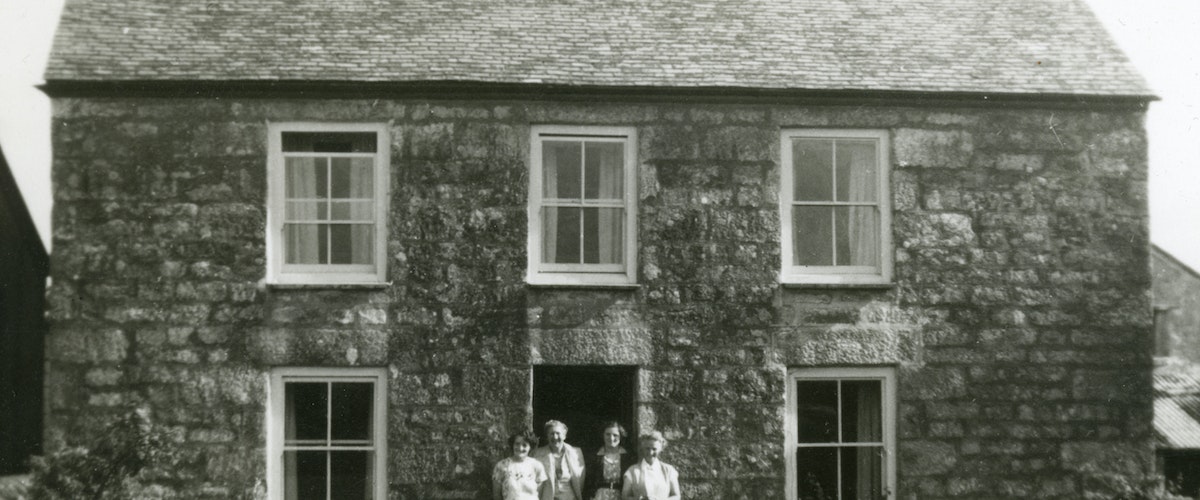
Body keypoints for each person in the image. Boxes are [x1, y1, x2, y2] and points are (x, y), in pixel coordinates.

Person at [531, 420, 586, 500]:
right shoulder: (537, 454)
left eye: (558, 433)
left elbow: (580, 480)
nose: (555, 437)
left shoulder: (576, 453)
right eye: (552, 434)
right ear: (547, 436)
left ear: (564, 436)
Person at [584, 421, 636, 500]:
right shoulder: (595, 456)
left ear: (621, 436)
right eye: (607, 434)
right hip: (599, 496)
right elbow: (588, 481)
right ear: (603, 435)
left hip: (621, 496)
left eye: (615, 435)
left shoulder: (628, 457)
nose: (611, 438)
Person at [621, 431, 681, 500]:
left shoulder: (669, 470)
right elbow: (625, 497)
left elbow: (676, 496)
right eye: (647, 448)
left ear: (660, 449)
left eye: (654, 449)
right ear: (642, 448)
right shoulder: (632, 471)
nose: (650, 452)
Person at [493, 431, 549, 500]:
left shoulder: (537, 466)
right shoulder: (501, 466)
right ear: (512, 445)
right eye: (517, 444)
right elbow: (496, 496)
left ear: (530, 447)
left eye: (524, 445)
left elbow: (539, 494)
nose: (520, 448)